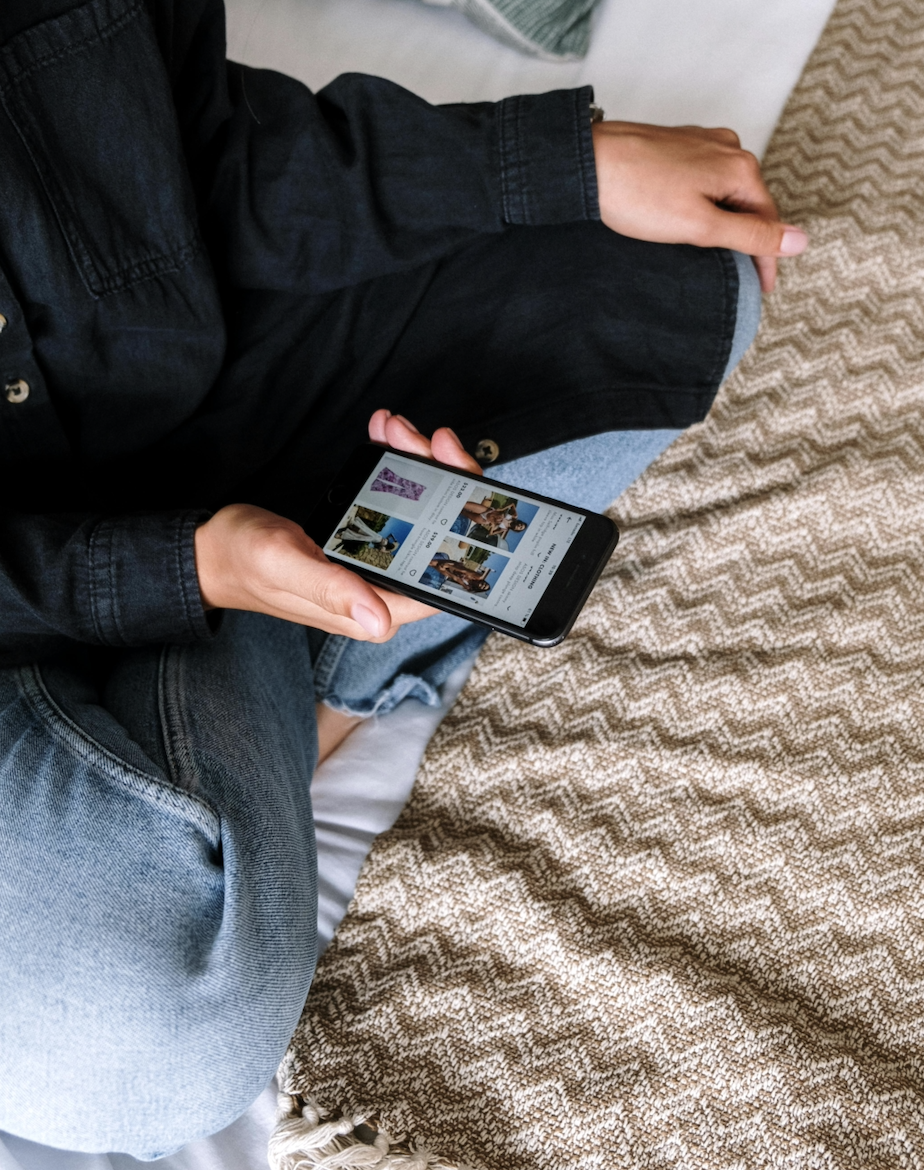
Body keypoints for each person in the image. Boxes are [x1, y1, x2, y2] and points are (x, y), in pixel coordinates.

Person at [0, 0, 807, 1158]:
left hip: (176, 402)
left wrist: (558, 164)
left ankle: (302, 629)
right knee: (159, 1030)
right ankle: (316, 635)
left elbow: (204, 158)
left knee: (696, 263)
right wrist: (190, 564)